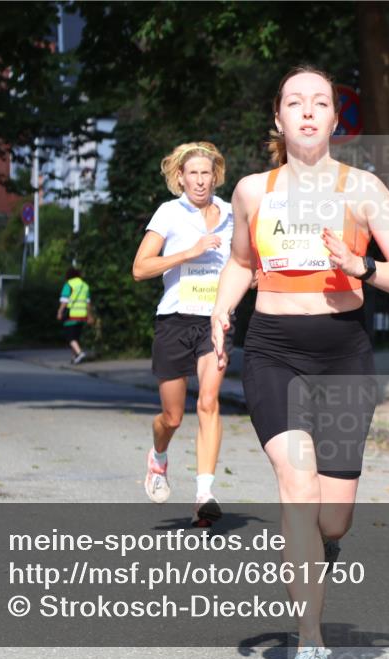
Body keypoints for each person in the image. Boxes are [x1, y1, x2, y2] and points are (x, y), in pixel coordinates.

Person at [211, 66, 389, 659]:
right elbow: (240, 263)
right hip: (274, 349)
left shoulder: (364, 190)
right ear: (278, 119)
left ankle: (318, 549)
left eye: (320, 102)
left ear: (336, 119)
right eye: (294, 102)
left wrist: (365, 270)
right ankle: (310, 639)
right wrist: (222, 310)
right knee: (297, 486)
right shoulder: (254, 191)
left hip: (343, 355)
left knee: (333, 519)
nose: (307, 111)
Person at [132, 141, 233, 528]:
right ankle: (158, 458)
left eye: (206, 172)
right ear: (180, 178)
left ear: (216, 176)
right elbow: (140, 268)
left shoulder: (230, 214)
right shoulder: (169, 214)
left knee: (209, 401)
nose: (200, 179)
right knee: (172, 417)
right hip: (174, 320)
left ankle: (204, 494)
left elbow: (244, 262)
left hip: (215, 320)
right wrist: (187, 253)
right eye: (192, 173)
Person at [56, 267, 92, 364]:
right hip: (82, 315)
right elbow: (88, 303)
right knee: (76, 337)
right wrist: (89, 316)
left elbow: (64, 301)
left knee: (70, 338)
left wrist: (60, 312)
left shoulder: (69, 284)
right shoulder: (85, 285)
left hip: (71, 315)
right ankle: (75, 357)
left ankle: (80, 353)